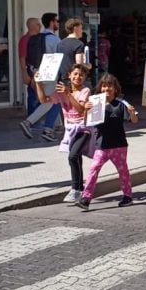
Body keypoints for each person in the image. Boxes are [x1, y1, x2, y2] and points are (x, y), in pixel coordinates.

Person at [76, 74, 139, 210]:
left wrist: (132, 113)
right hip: (101, 145)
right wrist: (86, 110)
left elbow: (134, 121)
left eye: (110, 86)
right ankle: (86, 198)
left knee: (123, 171)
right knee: (94, 169)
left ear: (115, 89)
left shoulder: (121, 104)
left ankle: (127, 196)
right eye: (104, 86)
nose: (107, 88)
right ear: (100, 88)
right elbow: (87, 123)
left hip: (119, 145)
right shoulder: (94, 103)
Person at [36, 63, 91, 203]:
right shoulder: (61, 91)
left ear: (85, 77)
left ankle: (75, 189)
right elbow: (44, 100)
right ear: (69, 75)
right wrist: (39, 84)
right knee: (76, 158)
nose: (78, 77)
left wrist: (68, 94)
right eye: (75, 74)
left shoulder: (85, 91)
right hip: (69, 130)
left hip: (83, 129)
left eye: (81, 75)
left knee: (73, 156)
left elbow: (80, 109)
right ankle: (80, 189)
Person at [20, 13, 62, 141]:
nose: (58, 23)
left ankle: (55, 125)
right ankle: (29, 122)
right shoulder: (54, 39)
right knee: (51, 101)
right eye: (57, 21)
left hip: (38, 71)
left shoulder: (36, 37)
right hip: (51, 71)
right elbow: (60, 57)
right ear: (51, 22)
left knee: (55, 99)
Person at [17, 17, 41, 113]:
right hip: (30, 71)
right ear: (31, 26)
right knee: (32, 95)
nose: (40, 26)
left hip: (40, 71)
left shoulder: (40, 38)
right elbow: (22, 57)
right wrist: (25, 74)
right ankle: (31, 120)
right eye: (37, 24)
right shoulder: (25, 39)